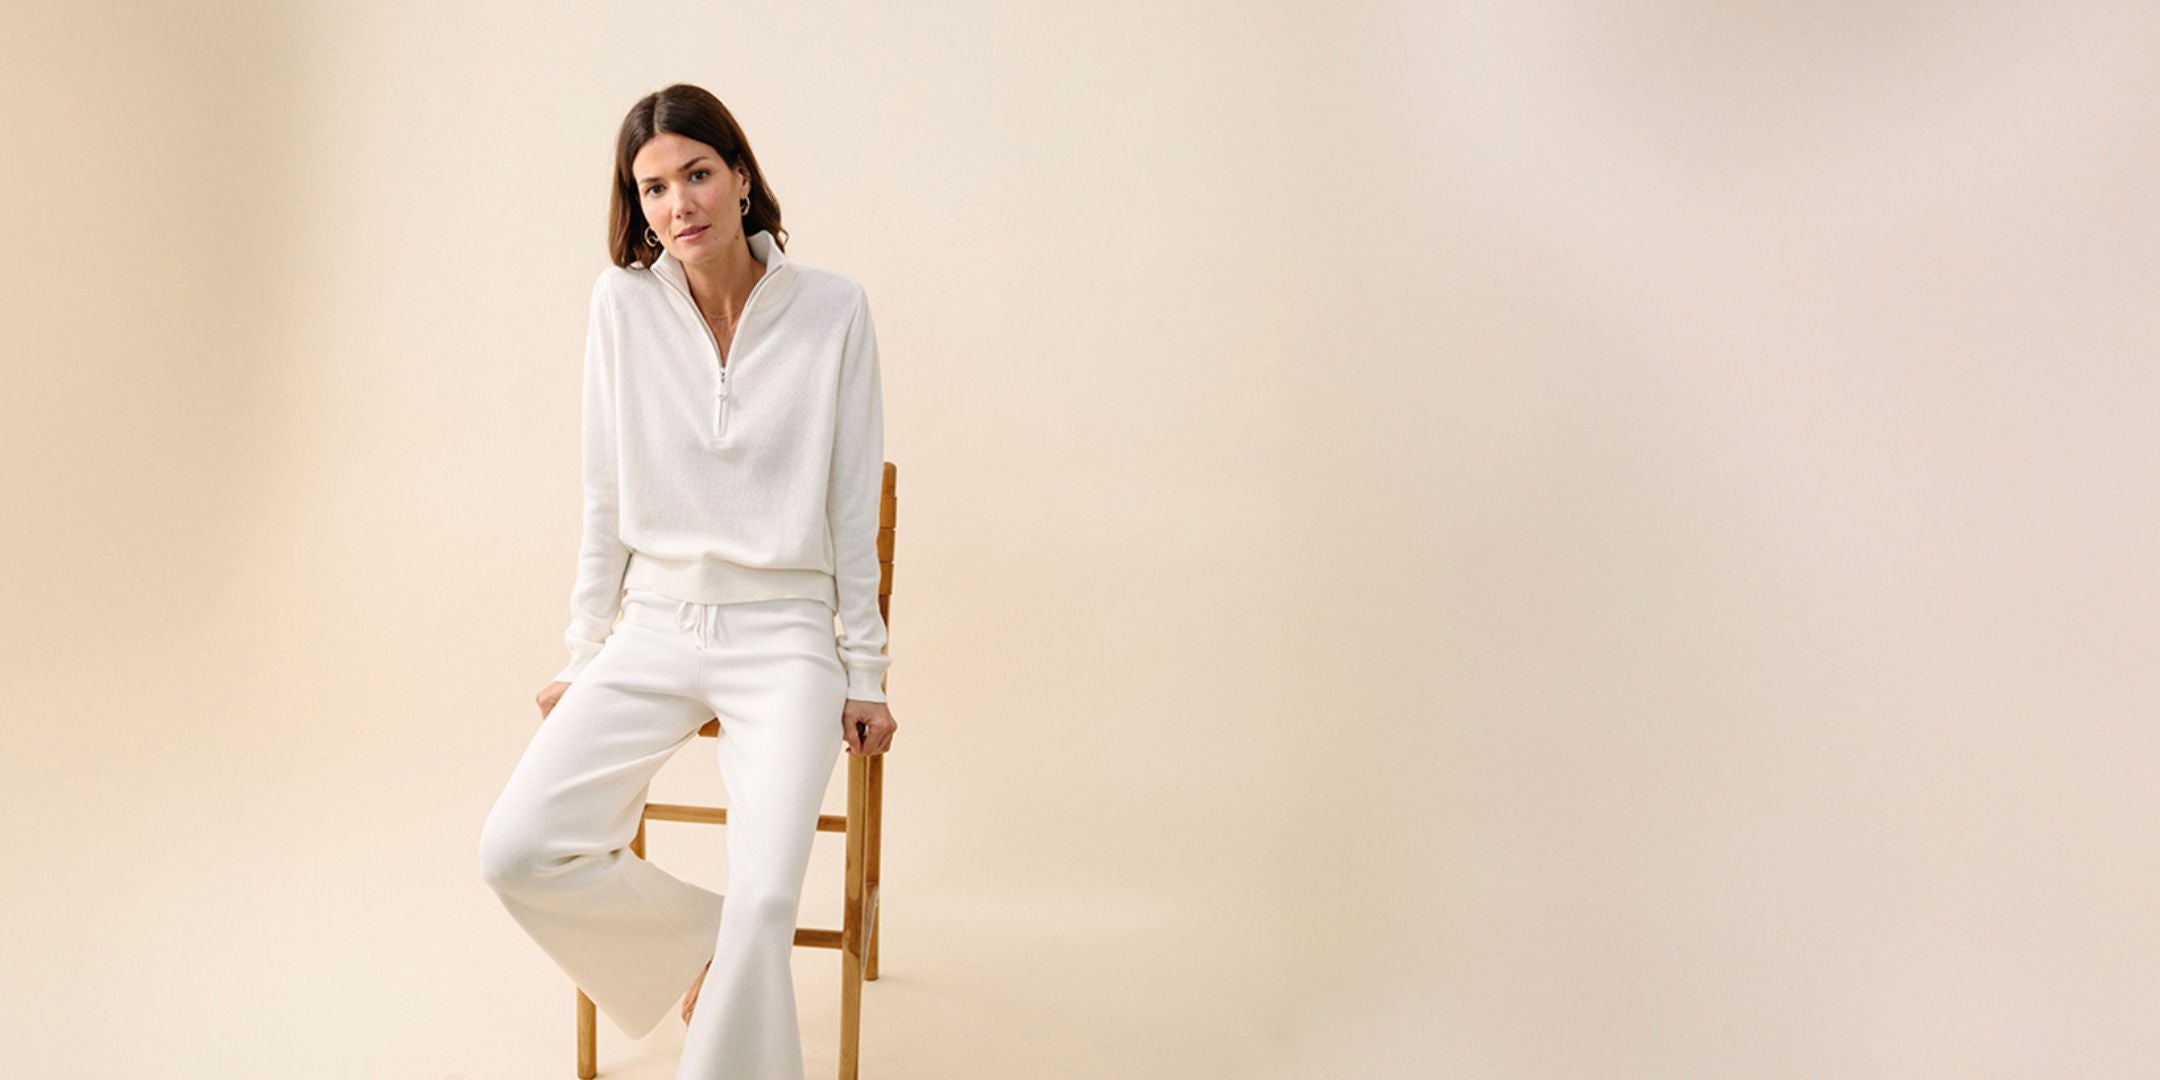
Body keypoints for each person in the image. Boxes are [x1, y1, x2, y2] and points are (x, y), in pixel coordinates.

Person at [477, 83, 898, 1080]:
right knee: (517, 848)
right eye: (654, 188)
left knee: (767, 900)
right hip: (655, 626)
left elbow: (850, 505)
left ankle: (737, 956)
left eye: (697, 174)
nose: (679, 205)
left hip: (785, 635)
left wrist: (866, 672)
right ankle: (704, 949)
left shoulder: (834, 310)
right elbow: (606, 492)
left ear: (741, 177)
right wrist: (585, 652)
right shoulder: (621, 306)